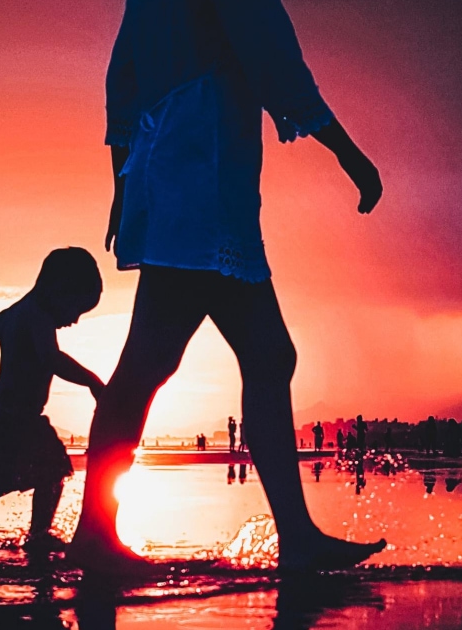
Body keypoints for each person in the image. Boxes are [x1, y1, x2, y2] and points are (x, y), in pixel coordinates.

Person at [69, 0, 386, 573]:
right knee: (213, 358)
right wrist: (350, 154)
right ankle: (98, 533)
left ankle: (291, 536)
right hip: (204, 168)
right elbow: (276, 64)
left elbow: (123, 80)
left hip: (174, 168)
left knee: (192, 359)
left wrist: (122, 180)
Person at [0, 248, 105, 553]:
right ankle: (39, 535)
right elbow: (51, 358)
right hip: (18, 418)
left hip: (1, 414)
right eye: (76, 309)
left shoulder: (13, 313)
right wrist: (93, 381)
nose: (75, 320)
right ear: (59, 290)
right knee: (53, 470)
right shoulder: (36, 316)